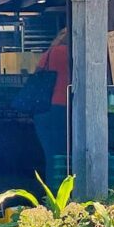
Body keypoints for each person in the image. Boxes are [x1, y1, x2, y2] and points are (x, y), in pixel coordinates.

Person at [33, 28, 69, 182]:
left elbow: (36, 75)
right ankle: (67, 192)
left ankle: (51, 194)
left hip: (43, 109)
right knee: (66, 154)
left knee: (51, 155)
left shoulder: (48, 54)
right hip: (65, 108)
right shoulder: (75, 54)